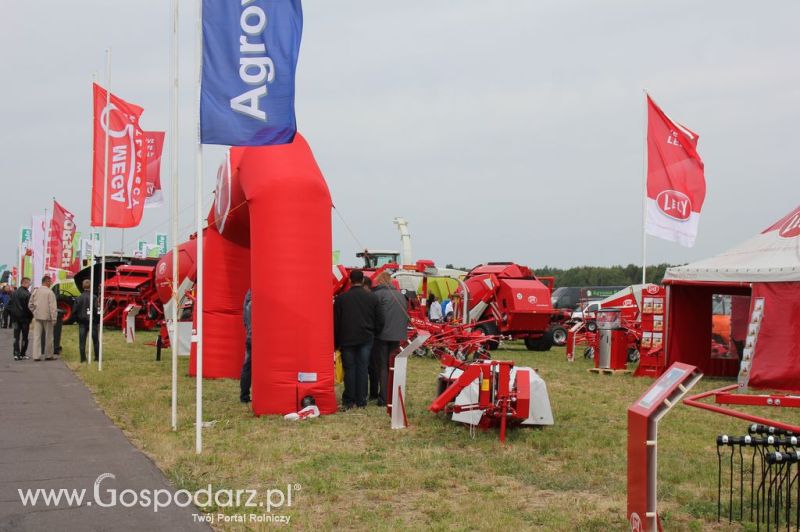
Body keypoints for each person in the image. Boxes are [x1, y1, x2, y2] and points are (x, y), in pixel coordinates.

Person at [334, 270, 384, 410]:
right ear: (362, 281)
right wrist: (374, 333)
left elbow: (336, 322)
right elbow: (380, 320)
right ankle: (361, 400)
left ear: (350, 281)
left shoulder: (341, 299)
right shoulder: (372, 298)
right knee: (363, 368)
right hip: (366, 337)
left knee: (350, 369)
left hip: (347, 338)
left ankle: (349, 400)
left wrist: (336, 342)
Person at [369, 272, 410, 406]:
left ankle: (383, 398)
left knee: (382, 367)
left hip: (381, 336)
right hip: (397, 335)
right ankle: (393, 395)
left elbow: (374, 317)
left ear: (379, 281)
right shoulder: (400, 296)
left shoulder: (376, 295)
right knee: (392, 365)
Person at [28, 275, 57, 361]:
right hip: (48, 317)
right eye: (50, 281)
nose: (51, 283)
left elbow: (30, 304)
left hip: (37, 317)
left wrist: (34, 312)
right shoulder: (50, 292)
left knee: (37, 337)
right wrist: (54, 318)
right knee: (49, 337)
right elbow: (53, 307)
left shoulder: (35, 291)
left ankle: (36, 356)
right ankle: (48, 355)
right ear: (47, 282)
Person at [72, 279, 99, 363]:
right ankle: (97, 358)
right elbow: (96, 310)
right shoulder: (94, 297)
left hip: (82, 322)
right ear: (91, 286)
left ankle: (83, 359)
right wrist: (97, 320)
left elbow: (74, 311)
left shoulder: (79, 298)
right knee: (95, 341)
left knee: (82, 342)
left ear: (83, 286)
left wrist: (77, 320)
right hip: (92, 321)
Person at [10, 278, 32, 360]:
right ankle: (23, 353)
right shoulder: (27, 294)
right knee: (25, 336)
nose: (29, 285)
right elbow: (29, 307)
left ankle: (16, 353)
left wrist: (12, 315)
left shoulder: (14, 293)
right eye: (29, 283)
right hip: (24, 319)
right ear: (24, 283)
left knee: (16, 336)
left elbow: (9, 305)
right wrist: (31, 317)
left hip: (15, 318)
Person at [240, 289, 252, 403]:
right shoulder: (254, 300)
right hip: (256, 337)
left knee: (248, 366)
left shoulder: (248, 297)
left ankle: (244, 396)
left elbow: (245, 320)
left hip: (250, 335)